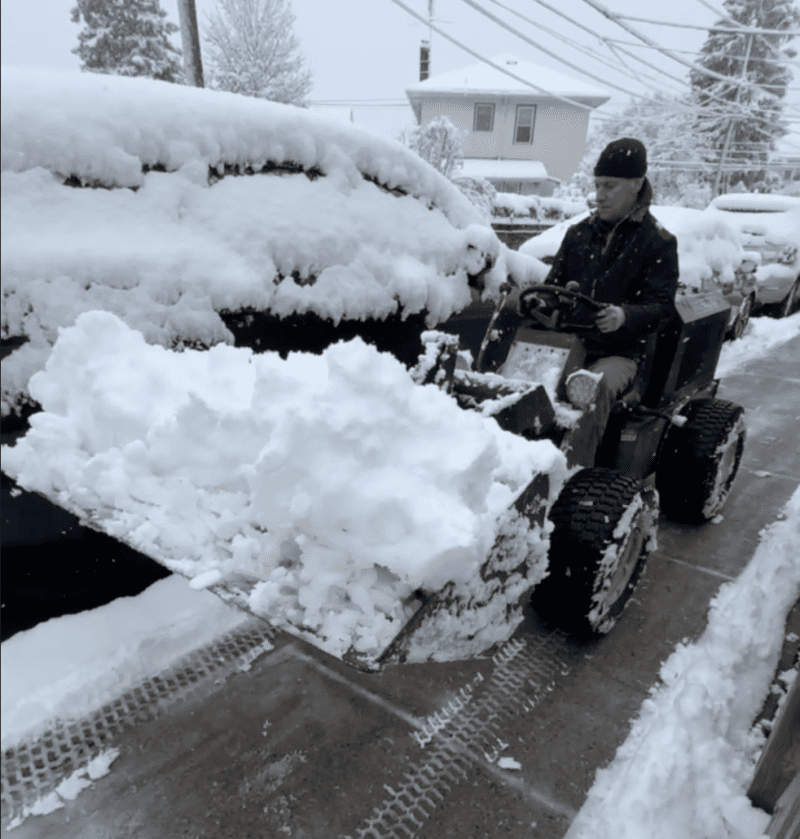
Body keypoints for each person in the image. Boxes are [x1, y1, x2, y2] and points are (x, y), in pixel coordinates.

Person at [533, 137, 679, 401]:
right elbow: (553, 286)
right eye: (597, 186)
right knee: (523, 385)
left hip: (618, 354)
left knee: (591, 394)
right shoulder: (578, 234)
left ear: (636, 184)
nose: (599, 196)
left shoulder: (657, 242)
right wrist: (541, 302)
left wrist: (624, 315)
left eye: (609, 186)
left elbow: (662, 308)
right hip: (565, 344)